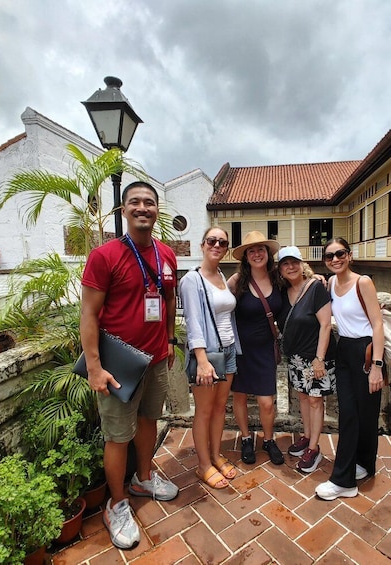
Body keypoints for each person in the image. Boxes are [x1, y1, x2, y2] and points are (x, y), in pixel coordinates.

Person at [80, 181, 179, 549]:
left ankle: (144, 478)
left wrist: (168, 340)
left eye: (149, 202)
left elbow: (168, 301)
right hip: (118, 363)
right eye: (134, 202)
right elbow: (88, 314)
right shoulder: (105, 256)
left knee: (149, 420)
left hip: (155, 360)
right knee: (117, 436)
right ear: (124, 211)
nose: (143, 207)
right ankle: (117, 503)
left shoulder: (166, 254)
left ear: (157, 210)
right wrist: (93, 366)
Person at [315, 237, 385, 501]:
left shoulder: (363, 282)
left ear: (350, 255)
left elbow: (377, 324)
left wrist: (377, 366)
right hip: (344, 349)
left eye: (340, 254)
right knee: (349, 413)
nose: (335, 259)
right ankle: (356, 468)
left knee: (366, 413)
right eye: (329, 256)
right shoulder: (331, 283)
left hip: (366, 352)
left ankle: (346, 479)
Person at [178, 227, 241, 489]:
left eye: (222, 242)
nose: (217, 245)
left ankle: (215, 455)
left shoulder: (222, 276)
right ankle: (203, 465)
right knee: (203, 411)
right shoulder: (192, 280)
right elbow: (192, 322)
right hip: (208, 354)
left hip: (228, 351)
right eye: (212, 241)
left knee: (219, 408)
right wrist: (201, 360)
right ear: (203, 245)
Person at [228, 231, 285, 466]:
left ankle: (269, 440)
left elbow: (299, 285)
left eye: (260, 249)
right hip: (240, 349)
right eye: (251, 250)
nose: (256, 253)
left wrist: (321, 279)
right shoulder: (236, 281)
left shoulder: (278, 279)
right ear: (246, 256)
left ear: (268, 253)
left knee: (266, 402)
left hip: (265, 350)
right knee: (239, 397)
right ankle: (245, 438)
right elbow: (217, 302)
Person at [276, 246, 335, 473]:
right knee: (303, 397)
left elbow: (326, 324)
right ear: (280, 269)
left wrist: (319, 359)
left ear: (302, 264)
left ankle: (314, 448)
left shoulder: (316, 288)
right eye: (285, 264)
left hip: (315, 358)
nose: (290, 267)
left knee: (315, 401)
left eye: (294, 262)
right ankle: (307, 436)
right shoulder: (282, 292)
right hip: (296, 358)